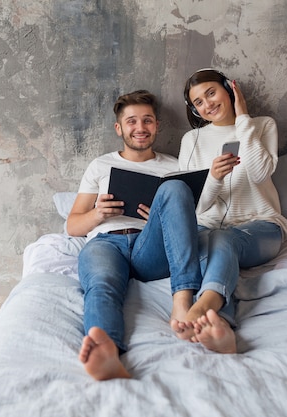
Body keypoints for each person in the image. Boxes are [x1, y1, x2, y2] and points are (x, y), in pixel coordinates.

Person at [68, 90, 225, 381]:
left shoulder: (175, 165)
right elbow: (73, 226)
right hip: (107, 243)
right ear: (119, 128)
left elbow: (192, 218)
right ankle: (108, 352)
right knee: (102, 284)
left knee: (176, 189)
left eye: (147, 120)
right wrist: (98, 214)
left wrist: (161, 215)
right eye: (131, 122)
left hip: (149, 247)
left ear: (157, 125)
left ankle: (182, 302)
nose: (140, 128)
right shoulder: (100, 165)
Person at [173, 68, 287, 345]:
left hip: (262, 227)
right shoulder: (191, 141)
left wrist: (243, 118)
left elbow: (261, 173)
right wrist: (213, 178)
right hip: (208, 227)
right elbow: (196, 207)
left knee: (223, 240)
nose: (207, 104)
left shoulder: (262, 125)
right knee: (213, 242)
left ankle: (204, 306)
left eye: (211, 93)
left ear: (229, 89)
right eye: (198, 102)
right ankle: (220, 325)